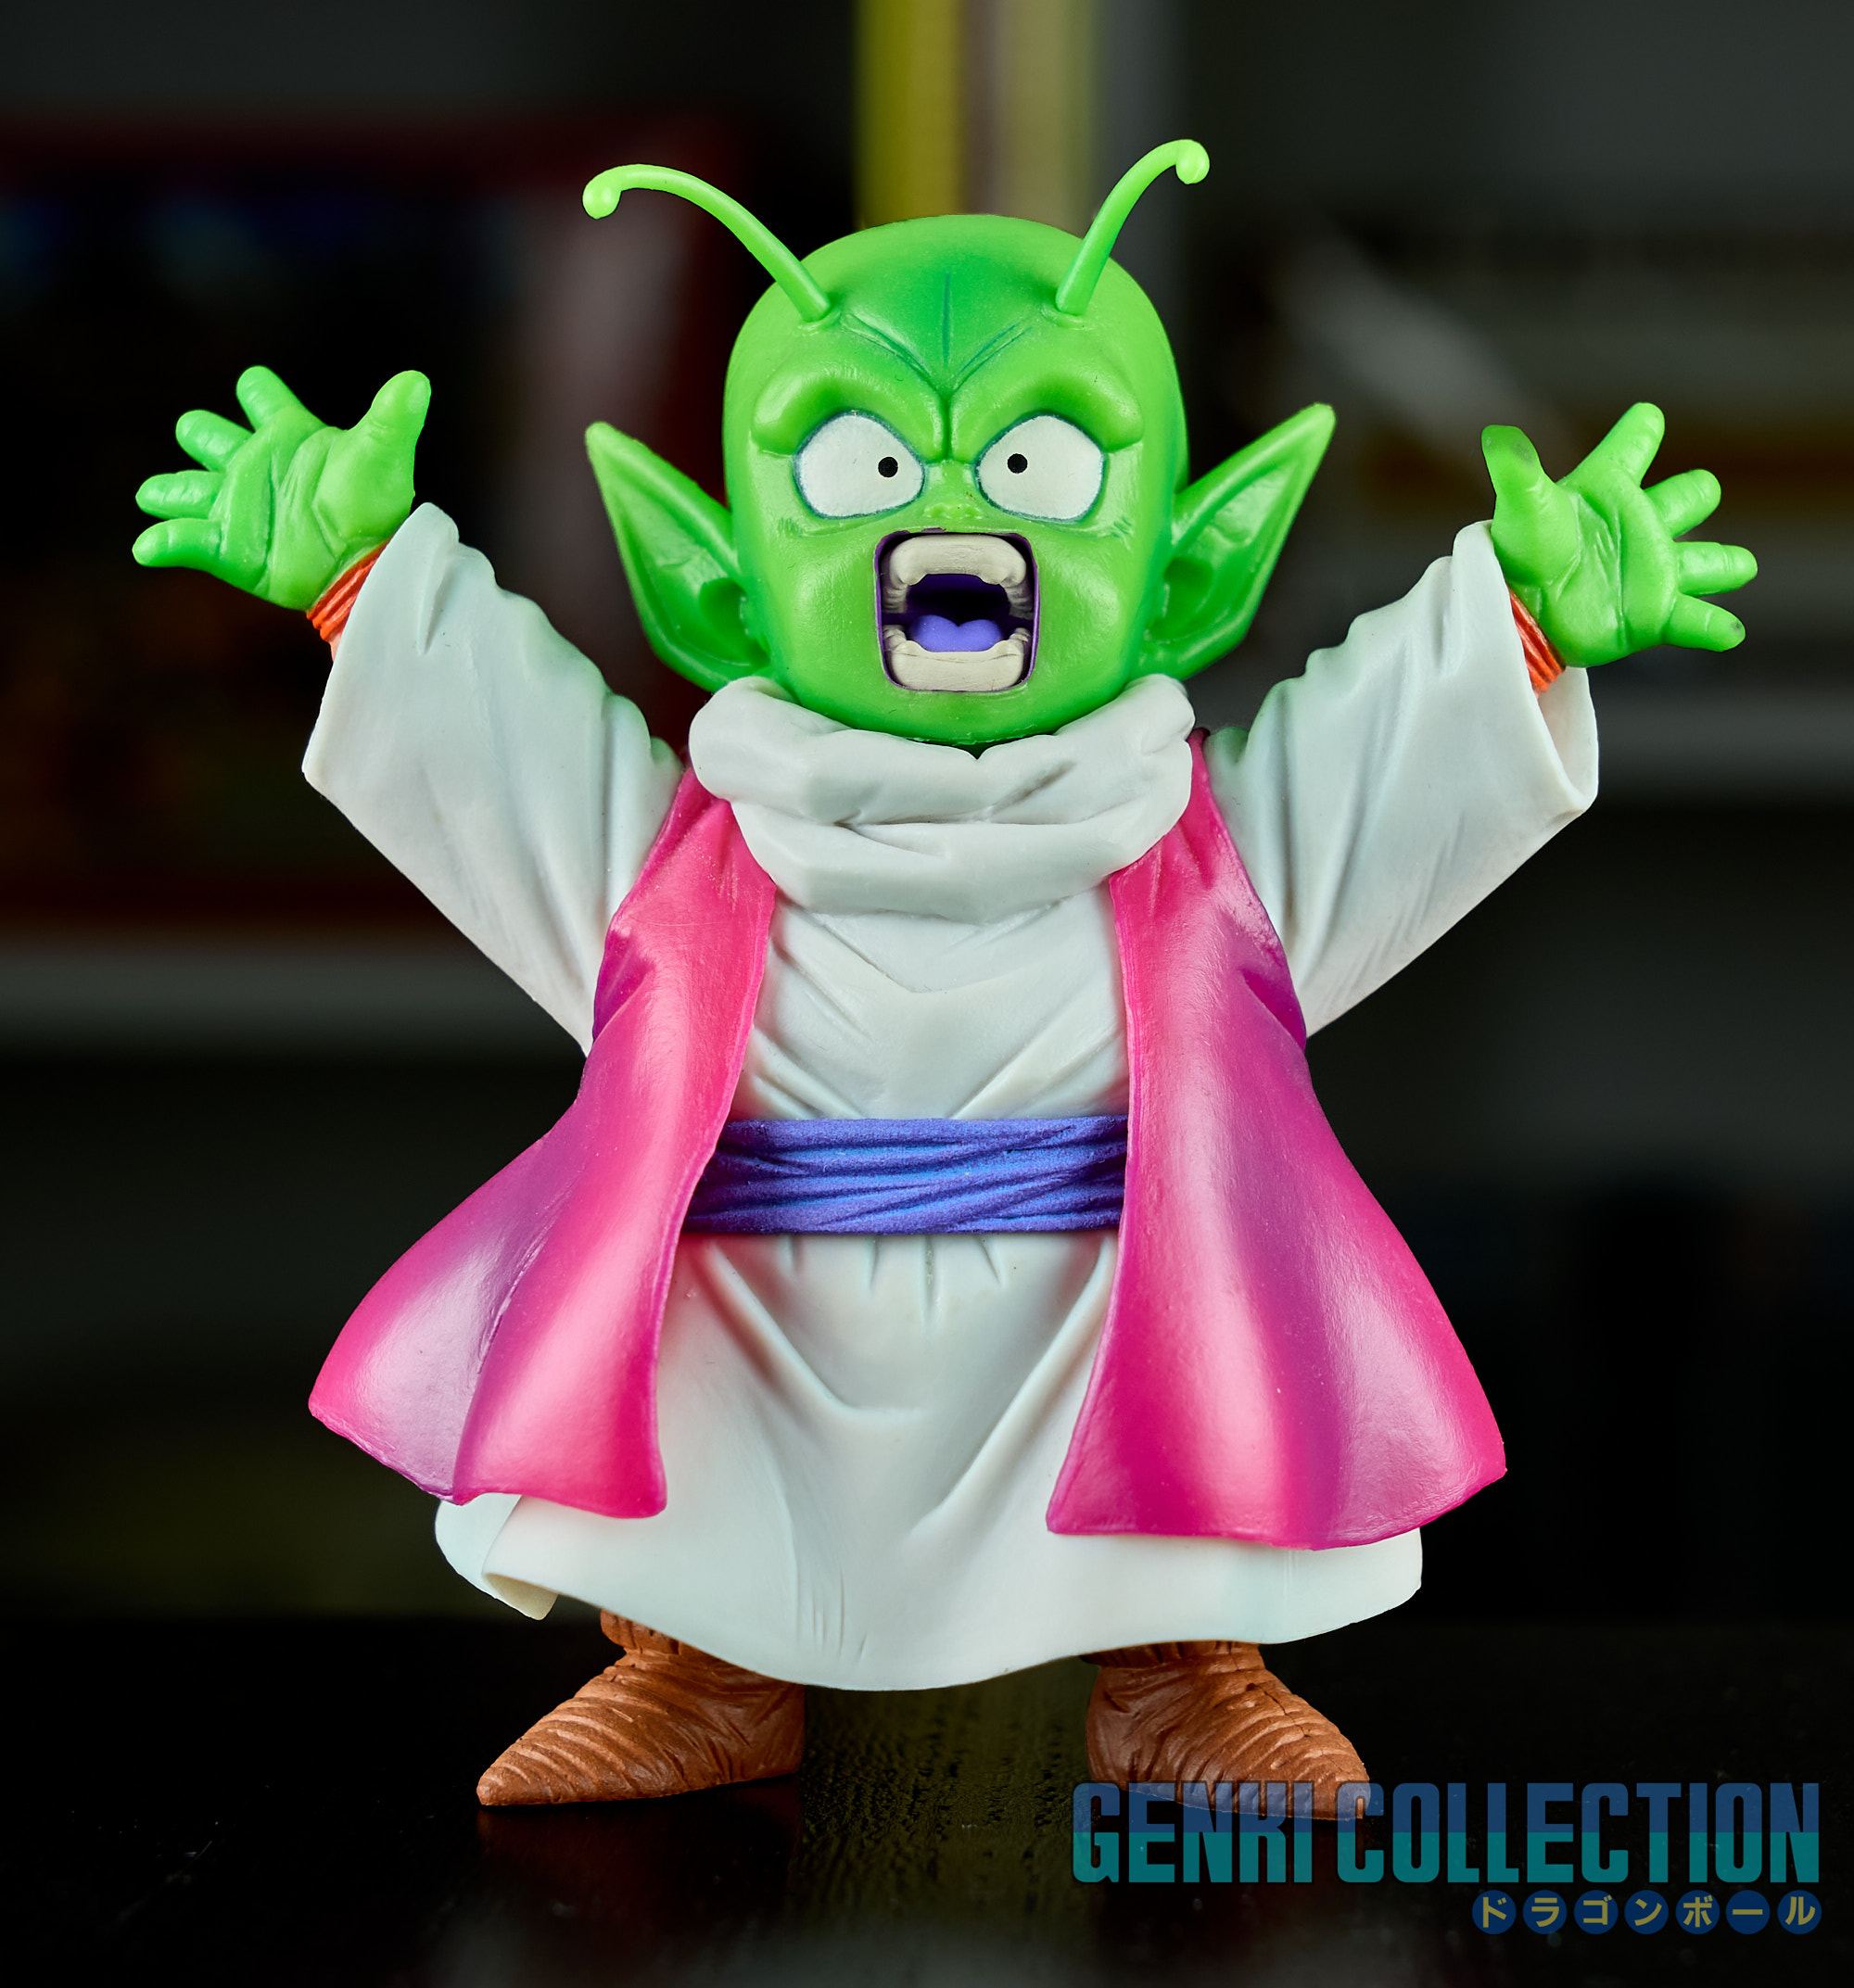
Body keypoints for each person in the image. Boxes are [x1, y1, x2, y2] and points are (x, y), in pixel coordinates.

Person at [132, 146, 1755, 1812]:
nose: (955, 518)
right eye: (862, 464)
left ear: (1194, 567)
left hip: (1100, 1320)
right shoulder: (675, 873)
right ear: (712, 576)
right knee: (701, 1490)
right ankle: (702, 1664)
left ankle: (1180, 1668)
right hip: (763, 1319)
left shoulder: (1214, 867)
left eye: (1043, 460)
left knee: (1186, 1491)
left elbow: (1388, 766)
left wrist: (1525, 624)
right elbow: (503, 760)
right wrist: (364, 585)